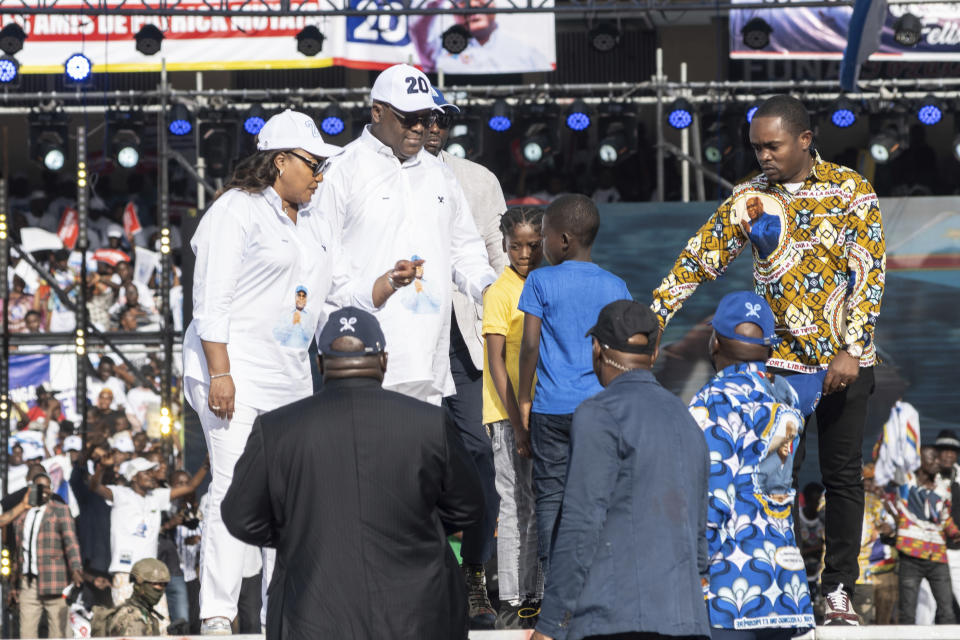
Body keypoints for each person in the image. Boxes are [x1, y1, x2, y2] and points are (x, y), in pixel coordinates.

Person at [181, 108, 419, 634]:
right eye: (313, 164)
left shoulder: (313, 222)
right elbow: (210, 301)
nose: (320, 175)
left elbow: (341, 294)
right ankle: (218, 615)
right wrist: (220, 374)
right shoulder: (235, 212)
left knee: (287, 496)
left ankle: (277, 614)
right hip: (231, 368)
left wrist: (388, 281)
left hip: (287, 373)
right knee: (230, 482)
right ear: (279, 161)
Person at [652, 94, 886, 625]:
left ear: (805, 139)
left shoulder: (851, 190)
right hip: (778, 369)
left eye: (772, 145)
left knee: (843, 476)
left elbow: (868, 272)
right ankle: (780, 582)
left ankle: (838, 589)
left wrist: (852, 347)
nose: (763, 156)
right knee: (776, 476)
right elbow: (700, 257)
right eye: (756, 147)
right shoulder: (748, 197)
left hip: (844, 362)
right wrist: (656, 315)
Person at [221, 307, 485, 640]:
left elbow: (240, 516)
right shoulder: (429, 424)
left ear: (320, 363)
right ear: (384, 360)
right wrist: (416, 525)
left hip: (312, 620)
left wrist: (302, 531)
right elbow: (470, 507)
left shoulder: (276, 429)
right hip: (418, 619)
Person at [314, 63, 497, 406]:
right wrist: (367, 298)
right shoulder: (343, 170)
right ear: (378, 112)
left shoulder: (440, 174)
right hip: (361, 357)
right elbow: (322, 262)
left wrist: (488, 289)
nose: (420, 128)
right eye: (408, 118)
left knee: (422, 459)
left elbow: (465, 249)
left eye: (426, 118)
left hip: (429, 360)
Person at [531, 300, 710, 640]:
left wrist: (551, 624)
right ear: (653, 354)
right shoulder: (687, 421)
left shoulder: (599, 414)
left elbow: (581, 526)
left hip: (617, 620)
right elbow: (699, 547)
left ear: (596, 348)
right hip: (688, 621)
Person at [691, 291, 824, 639]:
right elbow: (814, 382)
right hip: (784, 587)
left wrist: (690, 568)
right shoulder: (785, 400)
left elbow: (711, 496)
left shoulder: (712, 402)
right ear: (768, 350)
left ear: (714, 341)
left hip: (729, 591)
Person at [425, 87, 508, 628]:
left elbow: (498, 255)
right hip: (409, 341)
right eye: (422, 118)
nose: (432, 127)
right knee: (412, 465)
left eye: (440, 119)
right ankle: (426, 579)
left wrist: (506, 320)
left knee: (481, 458)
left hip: (467, 341)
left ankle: (475, 573)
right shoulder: (375, 175)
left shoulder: (477, 179)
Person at [516, 194, 631, 573]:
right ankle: (599, 576)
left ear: (563, 240)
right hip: (600, 409)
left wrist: (523, 399)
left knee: (550, 495)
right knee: (599, 492)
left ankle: (553, 581)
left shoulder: (539, 280)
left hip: (551, 408)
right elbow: (625, 350)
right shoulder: (616, 286)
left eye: (545, 236)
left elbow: (530, 344)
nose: (541, 246)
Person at [482, 207, 544, 629]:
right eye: (516, 245)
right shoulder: (500, 291)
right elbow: (497, 362)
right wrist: (516, 420)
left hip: (541, 411)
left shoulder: (541, 285)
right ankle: (509, 596)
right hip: (506, 413)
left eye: (532, 246)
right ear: (503, 245)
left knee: (537, 503)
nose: (523, 253)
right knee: (513, 502)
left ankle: (534, 593)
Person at [89, 455, 208, 611]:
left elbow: (190, 487)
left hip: (152, 574)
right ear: (133, 477)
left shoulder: (156, 496)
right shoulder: (120, 494)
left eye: (152, 472)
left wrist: (206, 464)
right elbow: (95, 487)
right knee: (127, 623)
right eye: (146, 473)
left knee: (160, 627)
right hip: (126, 573)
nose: (151, 476)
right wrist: (101, 468)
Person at [12, 471, 84, 639]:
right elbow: (18, 550)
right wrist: (14, 582)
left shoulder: (60, 510)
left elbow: (71, 542)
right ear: (32, 488)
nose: (44, 490)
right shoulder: (24, 513)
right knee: (26, 632)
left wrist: (76, 569)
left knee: (58, 632)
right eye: (40, 486)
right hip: (28, 581)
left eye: (48, 486)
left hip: (55, 579)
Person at [894, 445, 958, 625]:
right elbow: (888, 463)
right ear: (920, 462)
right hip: (910, 554)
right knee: (907, 612)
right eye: (932, 458)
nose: (938, 462)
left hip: (937, 556)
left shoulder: (943, 487)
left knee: (947, 610)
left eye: (938, 458)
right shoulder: (906, 483)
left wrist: (954, 532)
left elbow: (945, 517)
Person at [410, 0, 551, 74]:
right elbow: (418, 30)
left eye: (480, 0)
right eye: (461, 1)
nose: (472, 5)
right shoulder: (441, 48)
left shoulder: (526, 52)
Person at [856, 463, 897, 625]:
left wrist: (884, 500)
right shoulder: (856, 498)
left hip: (884, 569)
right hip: (864, 569)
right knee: (861, 620)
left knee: (884, 620)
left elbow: (894, 526)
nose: (868, 484)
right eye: (865, 480)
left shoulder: (884, 501)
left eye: (872, 480)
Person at [99, 558, 171, 637]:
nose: (161, 589)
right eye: (156, 584)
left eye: (164, 585)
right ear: (140, 583)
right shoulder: (132, 618)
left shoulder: (144, 614)